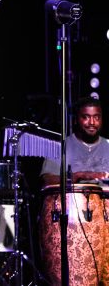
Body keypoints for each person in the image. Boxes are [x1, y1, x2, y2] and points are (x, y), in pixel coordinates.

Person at [39, 96, 109, 285]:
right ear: (77, 119)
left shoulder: (108, 146)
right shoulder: (61, 147)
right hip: (71, 217)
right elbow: (47, 179)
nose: (92, 122)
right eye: (86, 117)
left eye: (97, 117)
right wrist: (76, 176)